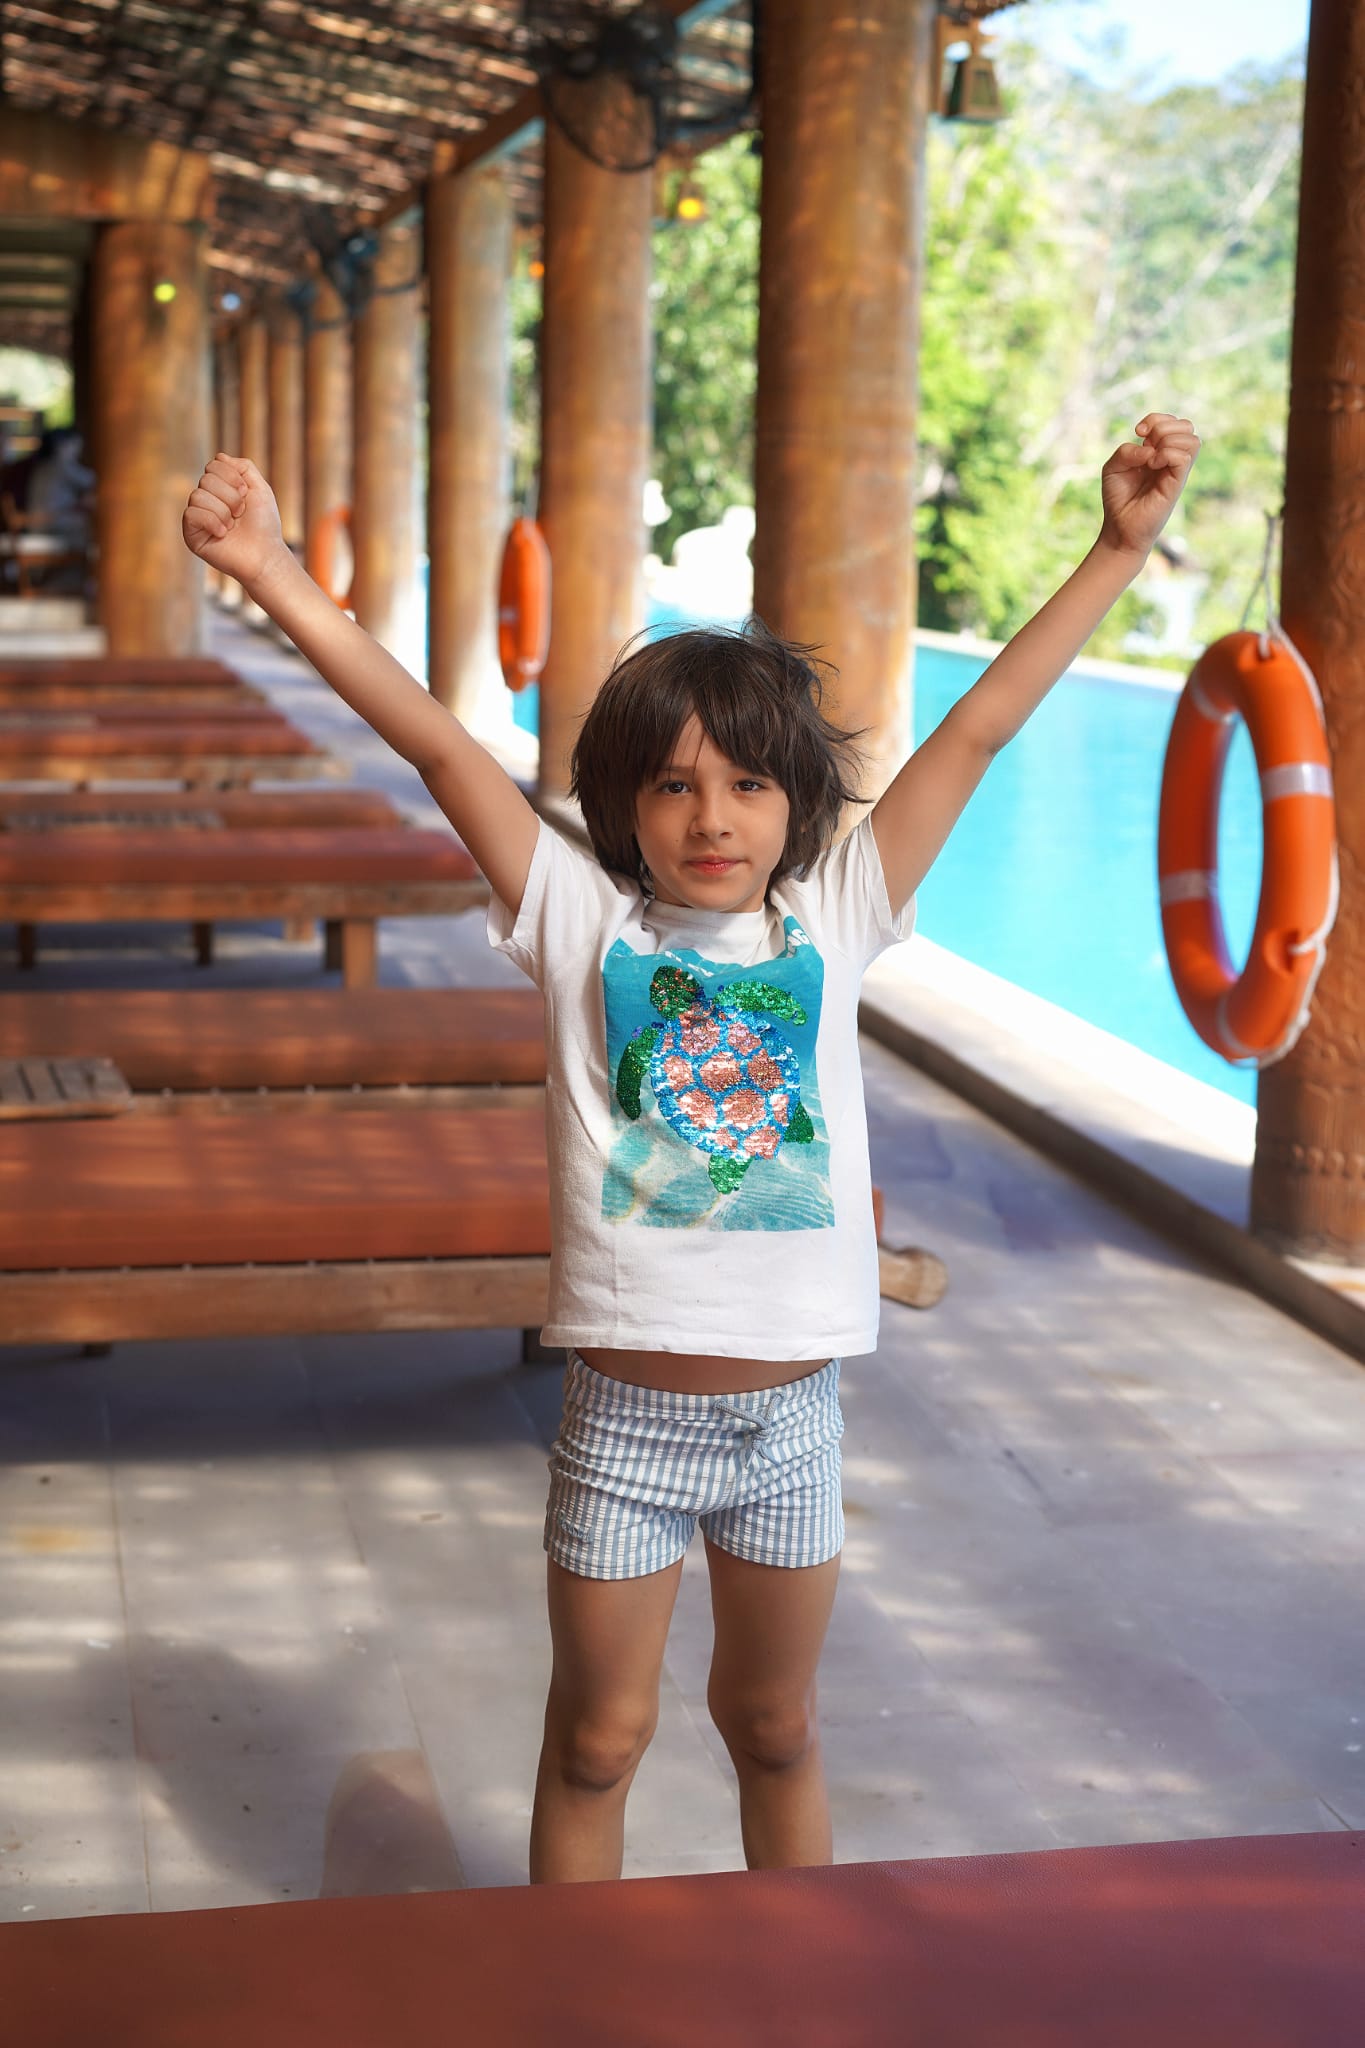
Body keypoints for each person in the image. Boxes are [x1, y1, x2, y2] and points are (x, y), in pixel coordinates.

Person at [181, 411, 1200, 1883]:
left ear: (797, 807)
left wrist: (1116, 549)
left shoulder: (835, 917)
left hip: (791, 1424)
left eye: (746, 785)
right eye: (671, 785)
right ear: (623, 809)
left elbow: (977, 729)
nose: (711, 817)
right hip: (624, 1427)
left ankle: (795, 1981)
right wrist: (273, 570)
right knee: (596, 1742)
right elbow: (436, 741)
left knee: (775, 1728)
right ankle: (575, 1989)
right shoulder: (577, 921)